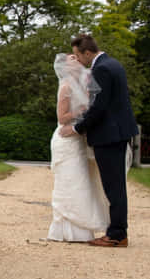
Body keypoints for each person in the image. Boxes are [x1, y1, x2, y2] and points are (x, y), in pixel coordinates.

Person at [60, 34, 138, 247]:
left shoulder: (101, 69)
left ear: (87, 52)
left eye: (78, 55)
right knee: (116, 185)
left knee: (114, 186)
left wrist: (77, 128)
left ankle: (117, 235)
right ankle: (117, 231)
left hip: (109, 135)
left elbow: (99, 107)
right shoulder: (113, 64)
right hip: (118, 133)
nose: (78, 60)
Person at [47, 53, 109, 241]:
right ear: (66, 67)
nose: (78, 62)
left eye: (77, 59)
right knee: (69, 181)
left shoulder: (85, 85)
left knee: (81, 182)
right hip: (66, 140)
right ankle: (65, 230)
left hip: (79, 139)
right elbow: (61, 117)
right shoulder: (65, 87)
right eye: (72, 60)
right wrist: (81, 110)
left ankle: (81, 229)